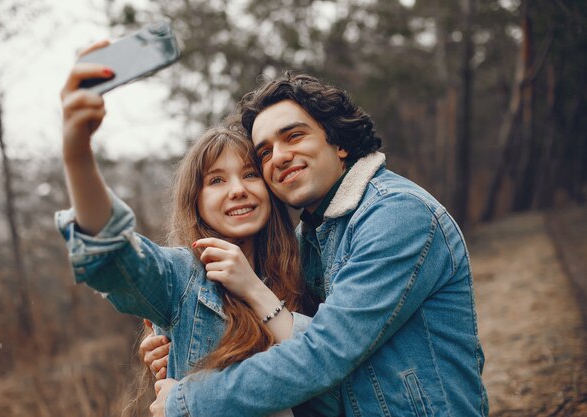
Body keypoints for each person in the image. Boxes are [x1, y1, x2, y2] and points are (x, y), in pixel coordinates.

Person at [150, 72, 489, 417]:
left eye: (293, 135)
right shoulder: (310, 238)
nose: (279, 156)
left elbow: (323, 353)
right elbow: (292, 335)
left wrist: (190, 401)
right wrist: (172, 341)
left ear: (339, 143)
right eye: (264, 152)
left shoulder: (397, 215)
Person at [56, 42, 341, 417]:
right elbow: (112, 255)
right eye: (217, 180)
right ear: (197, 201)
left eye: (250, 174)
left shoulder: (305, 269)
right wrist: (77, 153)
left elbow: (338, 378)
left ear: (270, 190)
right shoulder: (182, 276)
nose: (238, 189)